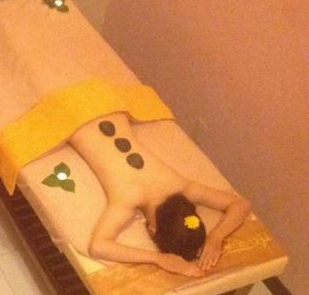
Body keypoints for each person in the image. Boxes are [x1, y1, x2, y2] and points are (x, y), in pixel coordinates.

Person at [69, 112, 252, 278]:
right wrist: (158, 258)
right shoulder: (128, 200)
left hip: (108, 106)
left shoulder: (183, 186)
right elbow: (98, 247)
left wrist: (215, 237)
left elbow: (241, 204)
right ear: (152, 230)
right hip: (72, 117)